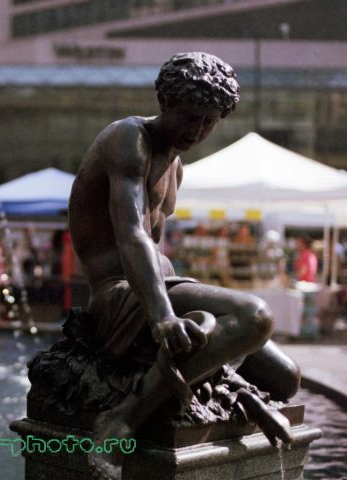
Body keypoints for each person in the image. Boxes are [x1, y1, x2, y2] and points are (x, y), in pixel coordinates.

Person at [67, 52, 299, 469]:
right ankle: (124, 416)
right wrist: (161, 316)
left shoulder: (176, 164)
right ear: (165, 102)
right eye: (191, 117)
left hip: (161, 291)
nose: (198, 130)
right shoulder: (129, 138)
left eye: (209, 122)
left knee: (286, 378)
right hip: (121, 297)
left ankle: (228, 388)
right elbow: (132, 234)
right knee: (256, 316)